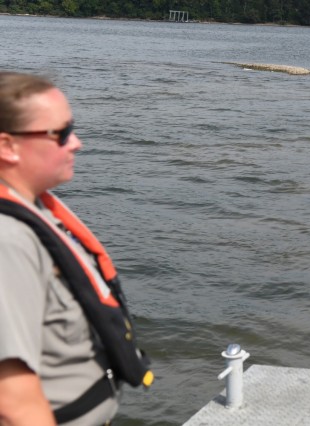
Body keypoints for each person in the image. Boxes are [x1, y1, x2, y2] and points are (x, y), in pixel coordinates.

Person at [0, 72, 153, 425]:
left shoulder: (33, 210)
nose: (77, 143)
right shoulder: (7, 241)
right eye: (62, 133)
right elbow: (13, 402)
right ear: (7, 146)